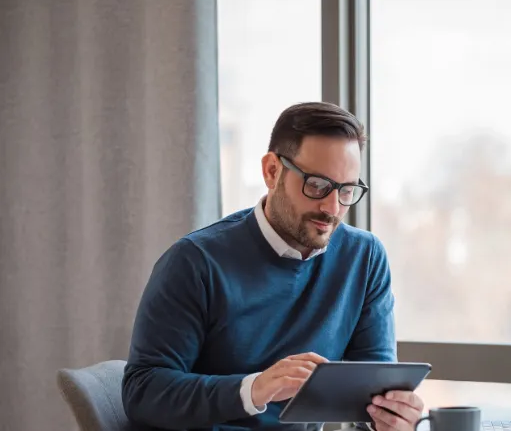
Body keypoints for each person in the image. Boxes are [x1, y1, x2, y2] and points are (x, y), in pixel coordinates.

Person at [121, 102, 425, 431]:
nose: (332, 208)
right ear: (271, 171)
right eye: (318, 186)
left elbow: (373, 389)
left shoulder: (364, 259)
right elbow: (142, 392)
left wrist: (391, 416)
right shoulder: (195, 262)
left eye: (346, 190)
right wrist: (255, 388)